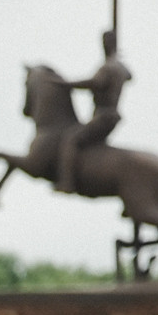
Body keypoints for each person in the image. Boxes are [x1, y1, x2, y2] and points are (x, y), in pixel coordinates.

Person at [58, 27, 132, 196]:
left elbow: (94, 83)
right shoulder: (119, 66)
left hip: (103, 116)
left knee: (71, 139)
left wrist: (67, 85)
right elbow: (130, 76)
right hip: (111, 116)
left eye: (105, 42)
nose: (103, 46)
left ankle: (67, 182)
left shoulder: (107, 68)